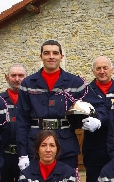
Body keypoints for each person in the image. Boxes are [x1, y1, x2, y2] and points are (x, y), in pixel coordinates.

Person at [16, 39, 94, 173]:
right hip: (36, 145)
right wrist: (22, 153)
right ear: (41, 56)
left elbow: (94, 106)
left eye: (55, 53)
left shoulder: (75, 83)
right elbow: (22, 120)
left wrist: (95, 119)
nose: (51, 56)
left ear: (61, 56)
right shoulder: (28, 84)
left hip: (66, 145)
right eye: (47, 53)